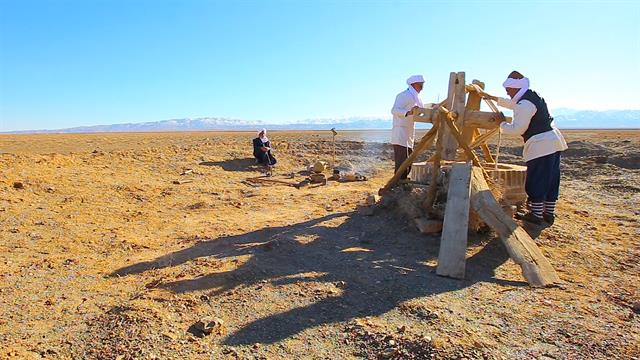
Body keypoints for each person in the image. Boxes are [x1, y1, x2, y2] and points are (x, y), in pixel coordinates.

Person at [485, 71, 568, 225]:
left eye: (509, 89)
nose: (507, 92)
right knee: (550, 178)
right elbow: (513, 104)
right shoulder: (531, 96)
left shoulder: (525, 104)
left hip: (540, 145)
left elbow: (518, 129)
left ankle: (536, 215)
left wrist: (501, 123)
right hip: (553, 142)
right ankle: (548, 213)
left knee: (537, 178)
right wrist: (493, 98)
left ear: (516, 88)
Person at [391, 74, 425, 180]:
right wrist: (408, 112)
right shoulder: (403, 95)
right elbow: (394, 110)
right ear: (414, 85)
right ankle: (398, 183)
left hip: (409, 132)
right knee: (402, 160)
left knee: (408, 159)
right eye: (420, 86)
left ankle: (403, 180)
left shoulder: (416, 98)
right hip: (401, 132)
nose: (421, 88)